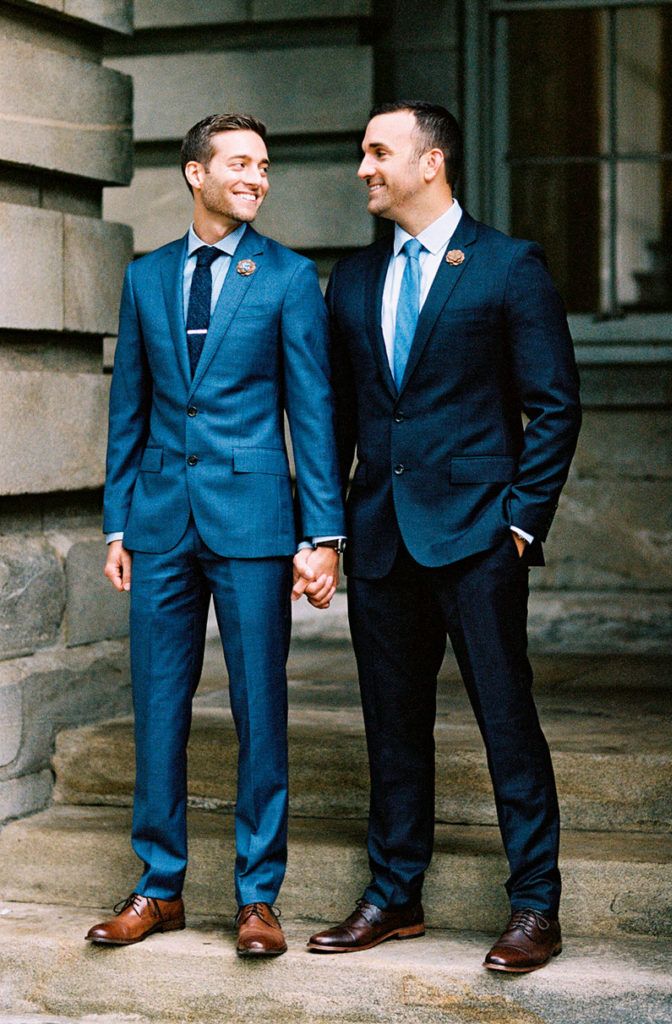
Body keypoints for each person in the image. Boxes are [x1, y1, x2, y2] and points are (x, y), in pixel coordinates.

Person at [307, 101, 581, 973]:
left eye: (378, 152)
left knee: (507, 722)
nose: (363, 168)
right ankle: (395, 896)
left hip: (476, 540)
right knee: (393, 727)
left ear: (431, 163)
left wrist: (519, 525)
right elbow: (339, 419)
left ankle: (536, 906)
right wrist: (329, 530)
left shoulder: (507, 266)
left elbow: (555, 406)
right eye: (361, 153)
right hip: (380, 539)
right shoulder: (350, 281)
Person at [87, 113, 345, 957]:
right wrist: (118, 520)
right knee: (158, 705)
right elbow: (128, 406)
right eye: (240, 163)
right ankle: (158, 888)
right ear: (195, 173)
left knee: (258, 707)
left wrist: (324, 534)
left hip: (256, 521)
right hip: (159, 519)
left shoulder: (288, 278)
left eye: (264, 166)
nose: (257, 178)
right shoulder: (147, 277)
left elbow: (310, 413)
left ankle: (257, 897)